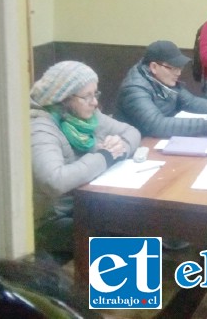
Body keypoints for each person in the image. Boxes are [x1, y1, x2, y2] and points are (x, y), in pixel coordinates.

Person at [30, 61, 141, 263]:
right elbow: (54, 180)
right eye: (86, 96)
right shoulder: (40, 127)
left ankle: (126, 294)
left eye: (95, 94)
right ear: (64, 98)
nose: (95, 103)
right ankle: (116, 295)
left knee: (130, 220)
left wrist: (119, 147)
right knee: (116, 238)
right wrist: (105, 157)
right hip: (49, 221)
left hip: (81, 205)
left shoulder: (87, 117)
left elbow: (131, 132)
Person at [114, 40, 207, 137]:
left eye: (180, 68)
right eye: (173, 68)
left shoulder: (161, 79)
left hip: (159, 141)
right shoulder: (134, 90)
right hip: (139, 147)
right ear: (154, 67)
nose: (178, 73)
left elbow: (191, 102)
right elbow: (157, 126)